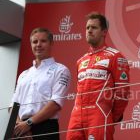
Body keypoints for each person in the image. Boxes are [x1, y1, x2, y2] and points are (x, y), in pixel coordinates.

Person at [67, 12, 130, 140]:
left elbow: (122, 92)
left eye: (94, 27)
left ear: (104, 32)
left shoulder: (115, 56)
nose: (89, 30)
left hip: (99, 114)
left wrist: (110, 116)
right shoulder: (80, 60)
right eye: (87, 28)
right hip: (76, 115)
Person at [11, 27, 71, 139]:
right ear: (31, 45)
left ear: (51, 43)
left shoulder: (61, 70)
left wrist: (28, 123)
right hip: (20, 130)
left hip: (46, 127)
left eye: (43, 41)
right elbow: (13, 106)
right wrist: (20, 127)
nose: (38, 45)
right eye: (35, 42)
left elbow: (55, 104)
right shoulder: (24, 74)